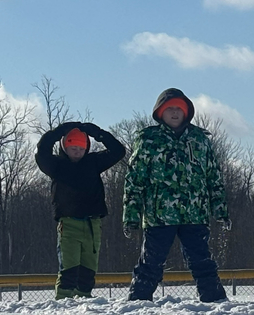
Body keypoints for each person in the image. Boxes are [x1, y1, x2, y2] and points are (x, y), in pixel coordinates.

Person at [122, 88, 230, 303]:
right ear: (160, 112)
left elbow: (213, 177)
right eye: (169, 108)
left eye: (178, 109)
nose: (174, 113)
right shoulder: (148, 140)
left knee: (202, 260)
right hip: (159, 214)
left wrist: (220, 209)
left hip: (195, 213)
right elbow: (134, 179)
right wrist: (131, 215)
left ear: (186, 112)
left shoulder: (200, 140)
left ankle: (215, 301)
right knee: (151, 262)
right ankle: (138, 302)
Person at [35, 121, 126, 300]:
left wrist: (98, 133)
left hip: (93, 224)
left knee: (88, 270)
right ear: (64, 148)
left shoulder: (93, 162)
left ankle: (85, 301)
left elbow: (118, 151)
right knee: (69, 269)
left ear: (87, 148)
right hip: (69, 224)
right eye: (73, 148)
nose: (77, 152)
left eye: (81, 148)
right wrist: (58, 132)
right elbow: (42, 151)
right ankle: (63, 300)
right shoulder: (56, 165)